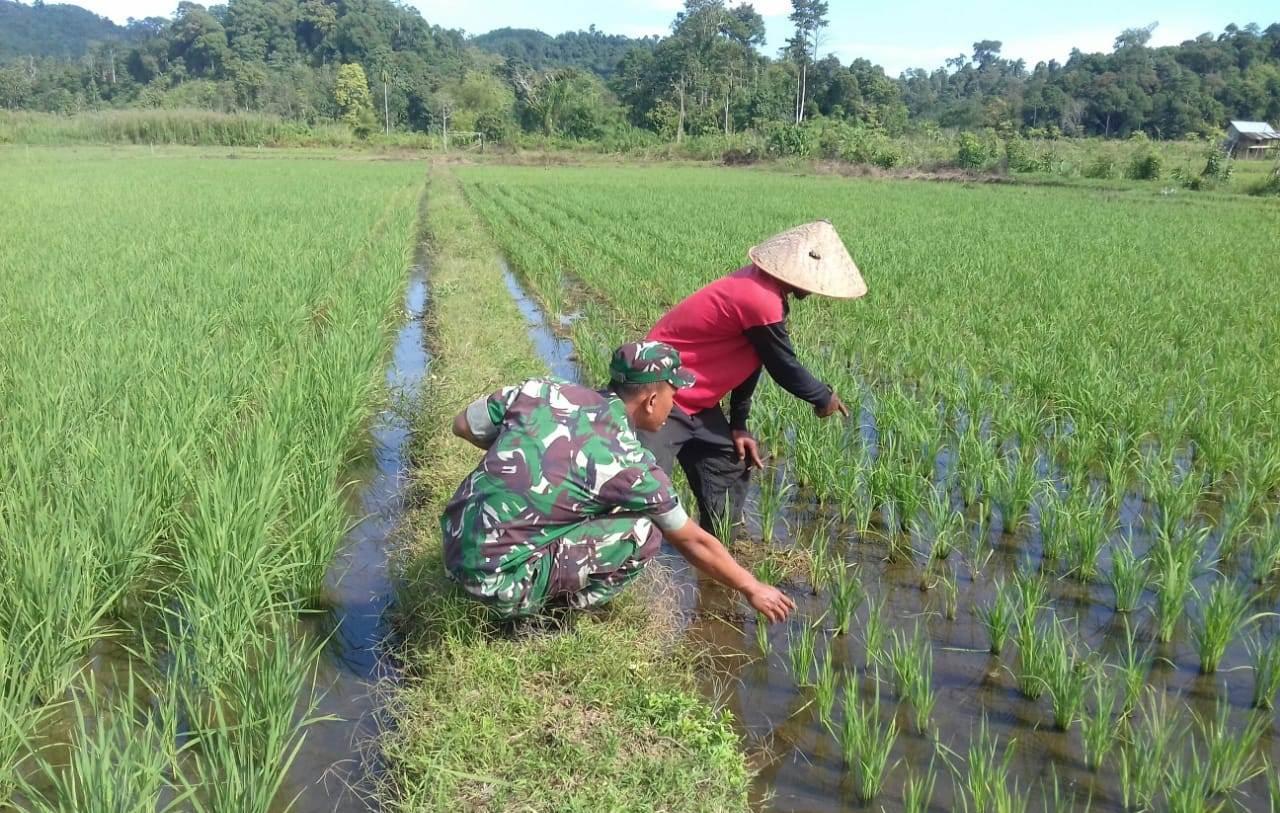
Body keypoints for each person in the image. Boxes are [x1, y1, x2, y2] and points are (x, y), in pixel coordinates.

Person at [441, 340, 796, 622]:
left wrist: (521, 458)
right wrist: (751, 586)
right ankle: (554, 616)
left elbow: (463, 425)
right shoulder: (631, 463)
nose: (674, 407)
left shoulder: (541, 391)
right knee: (646, 530)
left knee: (590, 505)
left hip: (455, 543)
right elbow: (693, 541)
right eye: (674, 396)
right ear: (652, 399)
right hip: (493, 584)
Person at [639, 220, 867, 531]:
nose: (813, 291)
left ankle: (715, 556)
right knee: (641, 487)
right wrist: (823, 397)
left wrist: (738, 426)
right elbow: (783, 365)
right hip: (659, 393)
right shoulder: (759, 298)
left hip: (696, 400)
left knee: (727, 463)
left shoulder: (763, 290)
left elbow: (753, 359)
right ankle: (614, 564)